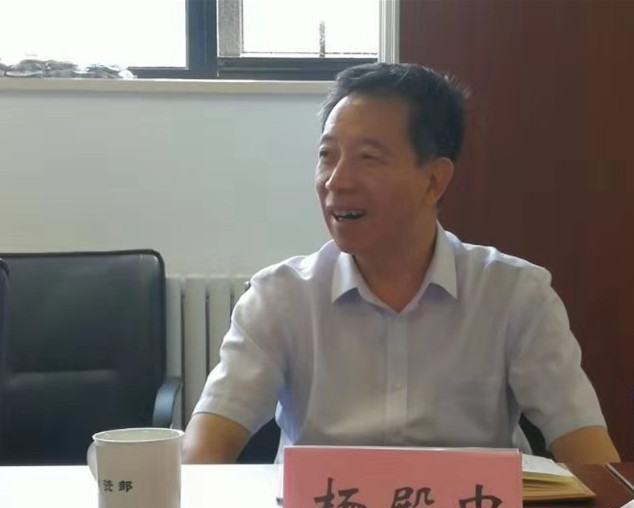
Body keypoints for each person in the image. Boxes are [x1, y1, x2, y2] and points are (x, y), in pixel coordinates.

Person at [183, 62, 619, 465]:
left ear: (434, 180)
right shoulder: (280, 297)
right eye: (327, 155)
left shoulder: (515, 295)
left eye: (368, 158)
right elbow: (202, 453)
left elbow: (593, 459)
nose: (336, 181)